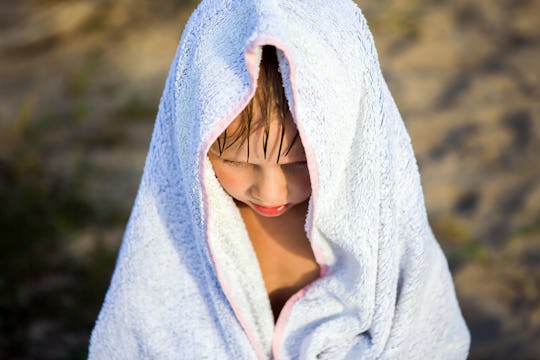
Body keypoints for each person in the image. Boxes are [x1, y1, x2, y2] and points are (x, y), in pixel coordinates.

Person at [89, 0, 470, 359]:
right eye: (237, 161)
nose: (270, 191)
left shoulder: (379, 231)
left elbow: (428, 335)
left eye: (298, 163)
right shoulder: (180, 233)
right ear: (195, 145)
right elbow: (144, 332)